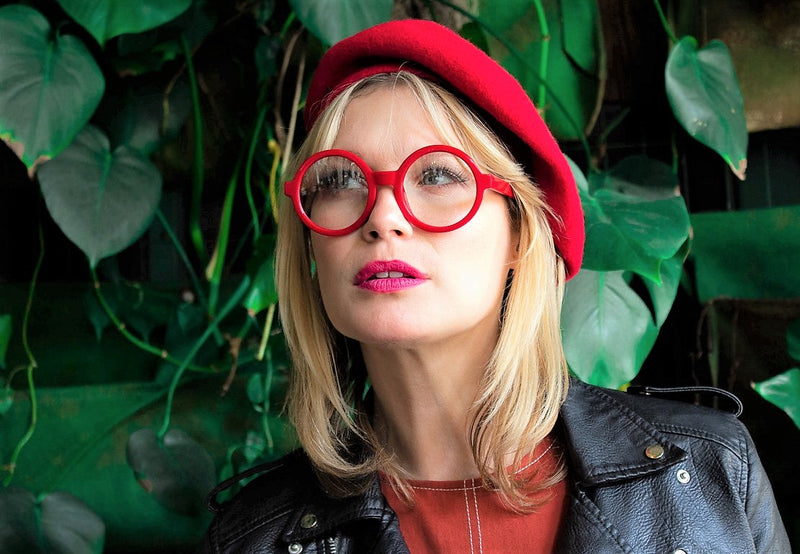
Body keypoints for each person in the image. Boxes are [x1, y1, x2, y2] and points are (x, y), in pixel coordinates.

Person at [201, 19, 790, 553]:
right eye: (339, 180)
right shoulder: (248, 541)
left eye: (438, 175)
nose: (383, 217)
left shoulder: (714, 473)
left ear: (520, 236)